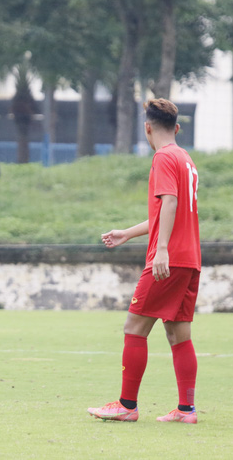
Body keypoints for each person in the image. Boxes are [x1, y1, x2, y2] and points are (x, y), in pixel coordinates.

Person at [88, 99, 201, 424]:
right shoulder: (185, 158)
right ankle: (186, 410)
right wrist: (128, 233)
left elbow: (169, 202)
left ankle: (127, 405)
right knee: (179, 334)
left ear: (147, 128)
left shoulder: (163, 157)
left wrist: (161, 249)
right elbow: (169, 211)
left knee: (134, 328)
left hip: (169, 258)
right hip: (190, 258)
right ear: (176, 128)